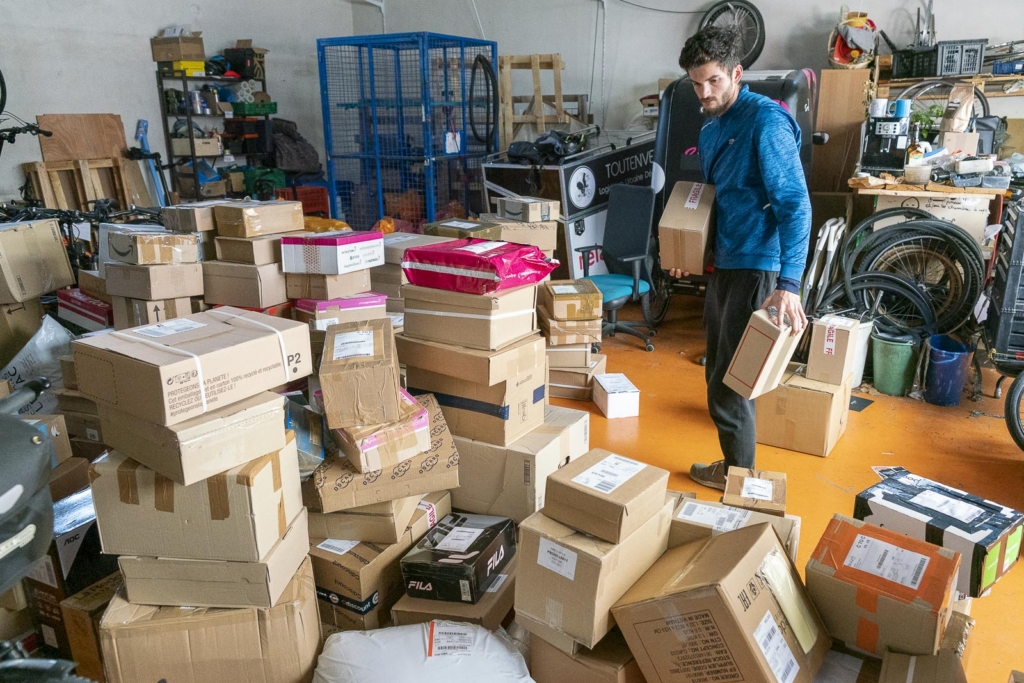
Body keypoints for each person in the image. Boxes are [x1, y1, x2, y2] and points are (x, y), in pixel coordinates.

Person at [670, 25, 810, 490]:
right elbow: (712, 201)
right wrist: (688, 251)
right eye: (696, 83)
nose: (703, 92)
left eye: (713, 81)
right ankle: (737, 470)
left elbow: (794, 204)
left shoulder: (765, 122)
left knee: (732, 381)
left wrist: (789, 285)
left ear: (736, 73)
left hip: (757, 264)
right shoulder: (712, 128)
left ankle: (739, 479)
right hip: (726, 262)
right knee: (722, 368)